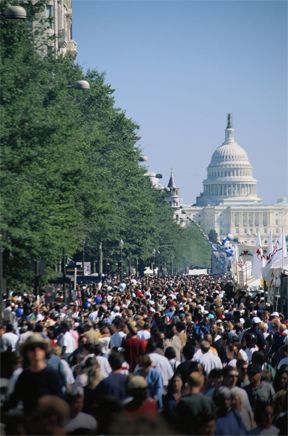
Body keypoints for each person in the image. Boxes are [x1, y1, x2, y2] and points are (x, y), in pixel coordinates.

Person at [5, 334, 62, 415]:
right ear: (26, 353)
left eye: (40, 347)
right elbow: (14, 399)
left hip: (46, 421)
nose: (36, 351)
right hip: (29, 422)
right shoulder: (24, 376)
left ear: (45, 351)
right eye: (32, 348)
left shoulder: (51, 375)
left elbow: (59, 401)